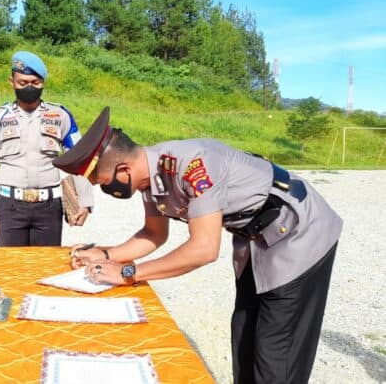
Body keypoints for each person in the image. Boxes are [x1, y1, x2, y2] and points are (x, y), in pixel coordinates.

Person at [54, 107, 342, 384]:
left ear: (124, 169)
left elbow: (204, 248)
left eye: (102, 181)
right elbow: (154, 234)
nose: (104, 189)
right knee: (244, 338)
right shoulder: (149, 180)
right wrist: (105, 254)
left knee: (277, 354)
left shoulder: (194, 165)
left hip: (298, 234)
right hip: (256, 240)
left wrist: (129, 272)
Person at [0, 51, 93, 247]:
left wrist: (86, 201)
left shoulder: (60, 116)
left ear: (43, 83)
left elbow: (79, 158)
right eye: (23, 83)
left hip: (49, 208)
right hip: (10, 206)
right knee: (13, 270)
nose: (29, 87)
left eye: (35, 83)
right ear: (11, 81)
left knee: (46, 269)